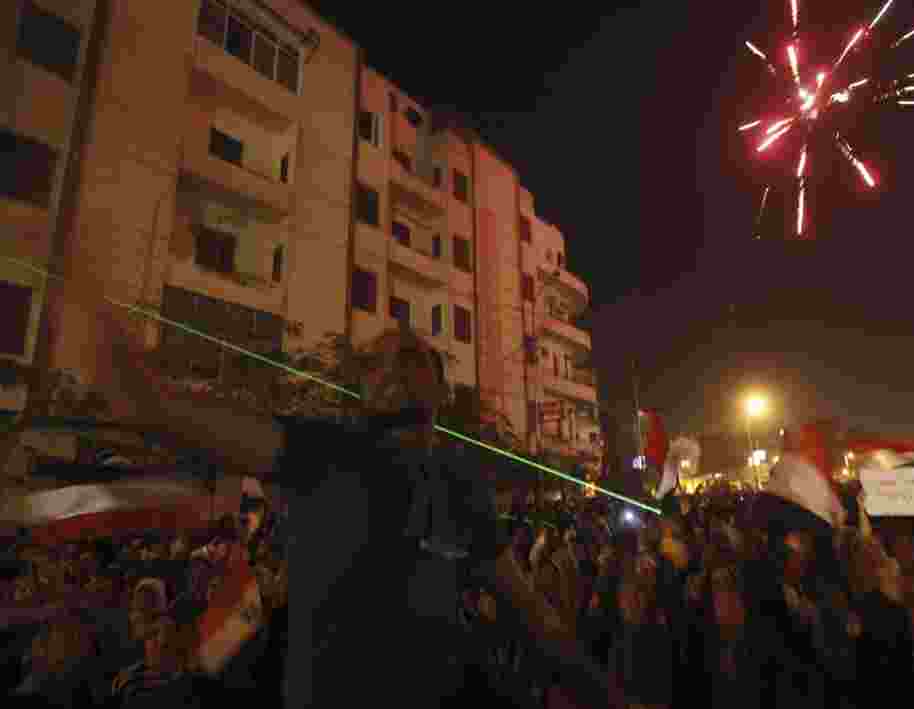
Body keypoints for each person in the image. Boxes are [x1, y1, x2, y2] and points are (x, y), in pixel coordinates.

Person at [59, 269, 626, 709]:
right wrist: (132, 382)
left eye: (407, 356)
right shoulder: (323, 450)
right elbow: (178, 416)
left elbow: (531, 613)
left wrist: (609, 697)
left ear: (440, 385)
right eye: (374, 365)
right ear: (363, 390)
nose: (390, 369)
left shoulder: (460, 484)